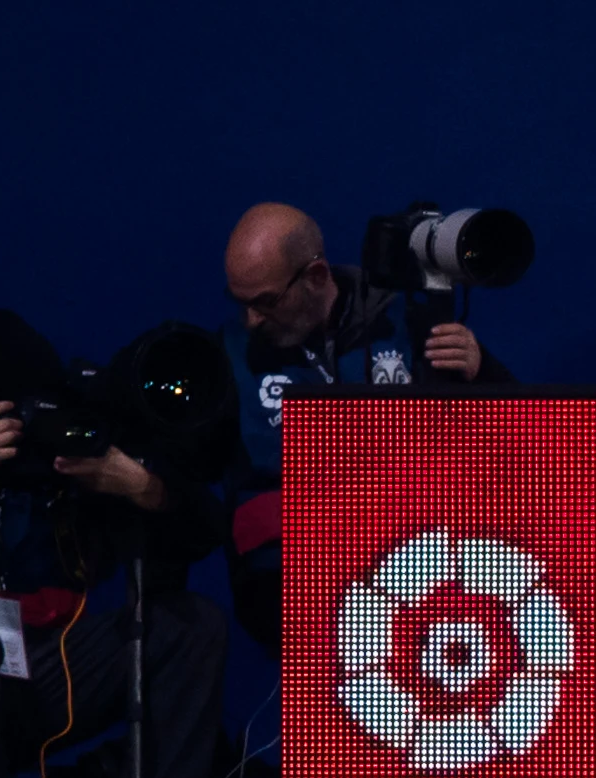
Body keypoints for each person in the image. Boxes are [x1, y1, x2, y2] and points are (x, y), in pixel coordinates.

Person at [0, 311, 226, 778]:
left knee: (192, 626)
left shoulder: (61, 449)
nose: (27, 430)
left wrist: (143, 488)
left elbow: (207, 530)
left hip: (37, 672)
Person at [217, 202, 507, 653]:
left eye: (265, 302)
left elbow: (512, 442)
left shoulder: (406, 324)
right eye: (241, 304)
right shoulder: (231, 355)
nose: (251, 319)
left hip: (418, 562)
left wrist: (482, 369)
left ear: (316, 276)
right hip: (295, 573)